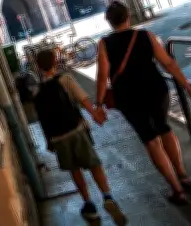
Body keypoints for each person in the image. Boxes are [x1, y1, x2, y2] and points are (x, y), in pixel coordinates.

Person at [96, 1, 191, 205]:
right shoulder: (145, 35)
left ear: (109, 22)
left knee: (150, 140)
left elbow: (102, 76)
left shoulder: (104, 44)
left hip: (128, 96)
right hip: (156, 89)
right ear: (128, 16)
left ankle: (177, 189)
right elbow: (168, 63)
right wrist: (190, 91)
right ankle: (182, 174)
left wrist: (99, 104)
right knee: (164, 128)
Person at [33, 49, 126, 224]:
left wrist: (48, 141)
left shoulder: (37, 92)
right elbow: (83, 99)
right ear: (54, 62)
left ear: (38, 66)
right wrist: (95, 114)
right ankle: (107, 197)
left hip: (58, 138)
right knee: (93, 164)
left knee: (74, 170)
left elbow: (42, 120)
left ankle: (88, 204)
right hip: (76, 130)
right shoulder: (65, 79)